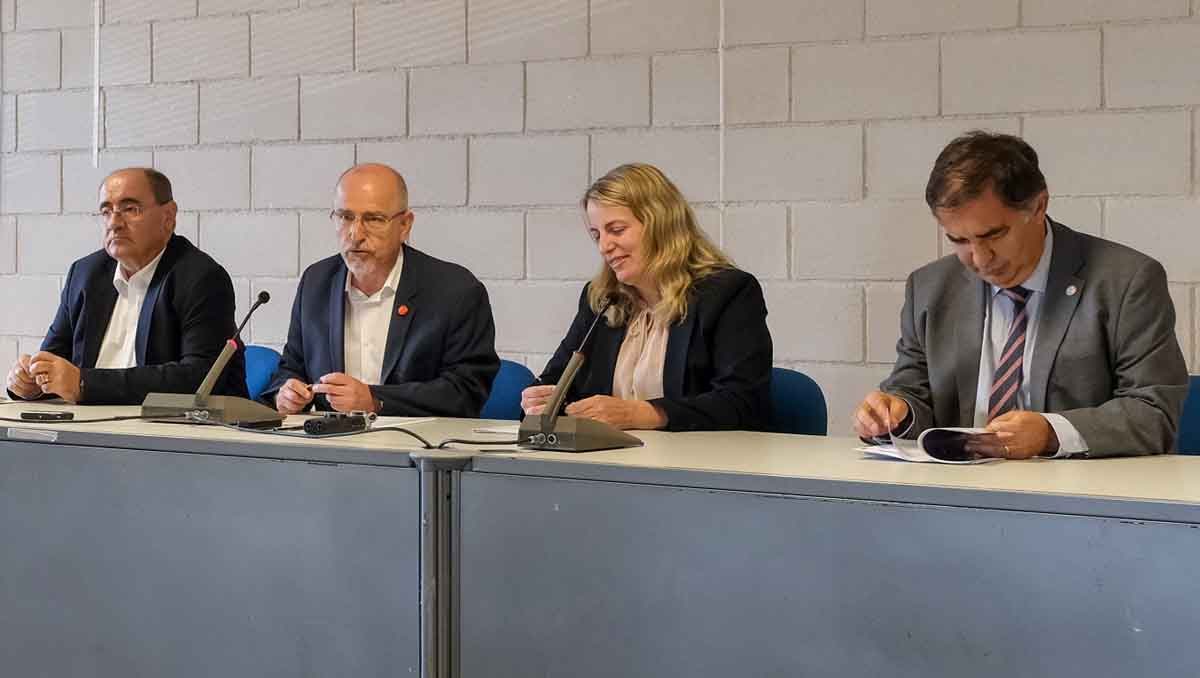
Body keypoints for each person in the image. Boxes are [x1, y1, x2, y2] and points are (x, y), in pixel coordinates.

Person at [853, 131, 1188, 458]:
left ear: (1038, 206)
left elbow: (1154, 412)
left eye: (993, 235)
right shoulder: (929, 287)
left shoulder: (1126, 281)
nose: (980, 259)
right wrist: (894, 414)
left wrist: (1050, 434)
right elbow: (913, 392)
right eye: (960, 240)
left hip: (1078, 487)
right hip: (955, 485)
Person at [521, 163, 772, 431]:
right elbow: (555, 382)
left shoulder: (728, 292)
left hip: (696, 455)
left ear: (660, 224)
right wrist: (539, 402)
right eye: (597, 235)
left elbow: (743, 402)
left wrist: (644, 414)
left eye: (617, 230)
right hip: (608, 455)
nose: (604, 246)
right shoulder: (600, 299)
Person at [261, 163, 499, 417]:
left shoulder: (455, 290)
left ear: (405, 225)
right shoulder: (316, 282)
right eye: (345, 217)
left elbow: (466, 391)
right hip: (330, 438)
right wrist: (284, 394)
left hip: (418, 440)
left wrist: (375, 400)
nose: (355, 234)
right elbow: (291, 366)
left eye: (373, 219)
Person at [4, 168, 245, 404]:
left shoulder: (200, 277)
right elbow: (54, 363)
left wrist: (84, 384)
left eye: (130, 209)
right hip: (87, 423)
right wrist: (31, 383)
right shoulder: (85, 274)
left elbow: (199, 377)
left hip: (166, 427)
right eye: (106, 211)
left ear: (168, 217)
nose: (114, 223)